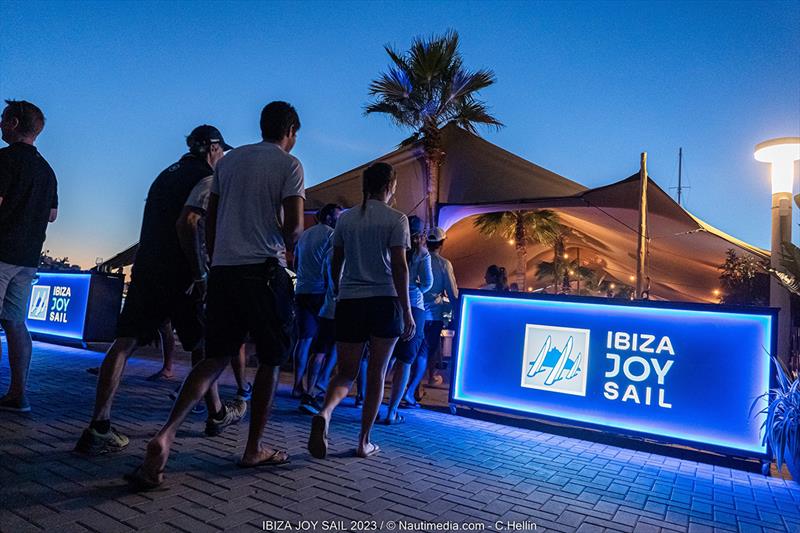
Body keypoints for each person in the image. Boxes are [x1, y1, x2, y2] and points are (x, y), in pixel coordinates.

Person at [128, 101, 304, 489]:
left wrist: (211, 264)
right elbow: (292, 229)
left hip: (223, 272)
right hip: (263, 272)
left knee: (212, 359)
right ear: (289, 130)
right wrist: (284, 238)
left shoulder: (228, 162)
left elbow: (211, 221)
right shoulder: (289, 165)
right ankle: (253, 448)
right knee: (272, 359)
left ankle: (167, 434)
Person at [75, 125, 234, 455]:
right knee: (203, 346)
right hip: (183, 274)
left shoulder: (164, 176)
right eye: (221, 151)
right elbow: (188, 223)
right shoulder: (207, 178)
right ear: (212, 148)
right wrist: (201, 273)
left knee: (125, 342)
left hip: (148, 268)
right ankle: (215, 414)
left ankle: (99, 424)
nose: (222, 158)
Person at [307, 161, 414, 459]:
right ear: (389, 187)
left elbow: (335, 261)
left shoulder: (346, 220)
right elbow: (400, 266)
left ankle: (325, 411)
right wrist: (406, 311)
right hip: (385, 301)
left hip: (350, 302)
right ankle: (363, 441)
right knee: (377, 373)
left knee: (345, 372)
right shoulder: (397, 219)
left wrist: (340, 290)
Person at [0, 100, 58, 413]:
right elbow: (51, 214)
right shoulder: (47, 171)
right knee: (15, 323)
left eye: (2, 119)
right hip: (28, 258)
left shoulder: (4, 160)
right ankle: (18, 393)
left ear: (12, 123)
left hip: (1, 252)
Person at [382, 215, 432, 424]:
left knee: (384, 359)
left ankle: (373, 405)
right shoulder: (422, 254)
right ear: (420, 233)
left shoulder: (391, 246)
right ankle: (392, 412)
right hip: (414, 306)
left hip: (390, 302)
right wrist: (415, 288)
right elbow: (428, 283)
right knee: (405, 361)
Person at [292, 203, 342, 413]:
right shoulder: (331, 236)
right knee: (327, 344)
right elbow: (331, 266)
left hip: (302, 289)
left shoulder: (304, 235)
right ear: (330, 218)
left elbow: (295, 262)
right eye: (338, 216)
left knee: (303, 340)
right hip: (322, 292)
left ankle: (297, 385)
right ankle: (318, 385)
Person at [406, 226, 458, 403]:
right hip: (433, 316)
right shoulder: (444, 264)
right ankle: (412, 390)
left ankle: (412, 389)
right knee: (423, 353)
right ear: (442, 243)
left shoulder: (414, 257)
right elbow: (452, 293)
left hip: (413, 310)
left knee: (408, 353)